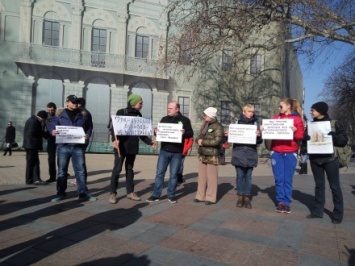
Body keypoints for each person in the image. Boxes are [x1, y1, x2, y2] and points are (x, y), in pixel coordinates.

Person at [108, 94, 155, 204]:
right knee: (117, 169)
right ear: (133, 103)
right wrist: (114, 140)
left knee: (129, 169)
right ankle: (113, 193)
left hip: (132, 147)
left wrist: (150, 142)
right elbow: (114, 128)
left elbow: (141, 133)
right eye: (140, 102)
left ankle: (130, 192)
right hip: (121, 147)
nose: (142, 104)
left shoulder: (139, 115)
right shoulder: (121, 112)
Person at [306, 101, 347, 224]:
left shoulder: (334, 124)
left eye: (313, 110)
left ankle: (338, 214)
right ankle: (318, 211)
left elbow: (344, 140)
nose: (310, 112)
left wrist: (334, 137)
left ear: (321, 111)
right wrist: (305, 139)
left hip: (330, 159)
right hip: (315, 160)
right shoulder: (310, 125)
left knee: (335, 187)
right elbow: (304, 143)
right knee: (319, 186)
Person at [50, 95, 96, 202]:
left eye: (76, 102)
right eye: (72, 101)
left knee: (80, 171)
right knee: (62, 171)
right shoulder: (59, 115)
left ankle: (83, 193)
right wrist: (52, 131)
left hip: (78, 147)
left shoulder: (84, 115)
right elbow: (52, 126)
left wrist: (88, 134)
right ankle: (60, 193)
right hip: (63, 146)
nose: (75, 103)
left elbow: (89, 127)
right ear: (67, 102)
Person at [146, 101, 193, 204]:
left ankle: (171, 195)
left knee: (174, 175)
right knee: (159, 173)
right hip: (164, 151)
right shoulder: (164, 119)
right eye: (168, 108)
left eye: (171, 108)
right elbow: (159, 131)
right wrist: (155, 131)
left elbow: (190, 133)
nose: (168, 110)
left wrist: (184, 133)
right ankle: (156, 195)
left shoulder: (185, 120)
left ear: (177, 109)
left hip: (177, 152)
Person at [266, 97, 304, 214]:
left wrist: (295, 131)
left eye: (281, 106)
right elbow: (269, 133)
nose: (279, 108)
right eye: (279, 106)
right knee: (279, 179)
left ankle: (286, 202)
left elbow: (300, 137)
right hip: (277, 152)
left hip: (290, 152)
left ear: (288, 106)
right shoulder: (275, 118)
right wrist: (264, 130)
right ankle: (280, 202)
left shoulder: (296, 120)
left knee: (287, 179)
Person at [231, 104, 262, 209]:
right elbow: (232, 138)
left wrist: (259, 136)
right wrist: (228, 135)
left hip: (250, 153)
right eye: (249, 111)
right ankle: (240, 196)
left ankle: (247, 196)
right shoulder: (237, 123)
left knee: (248, 176)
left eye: (252, 112)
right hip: (239, 153)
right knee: (240, 175)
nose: (251, 113)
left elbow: (259, 141)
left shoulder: (255, 123)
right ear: (243, 112)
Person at [194, 107, 224, 205]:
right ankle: (200, 196)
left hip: (212, 154)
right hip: (203, 153)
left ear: (211, 116)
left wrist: (203, 142)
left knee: (212, 177)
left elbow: (217, 141)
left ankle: (211, 197)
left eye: (205, 115)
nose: (204, 116)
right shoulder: (205, 125)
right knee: (201, 176)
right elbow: (200, 136)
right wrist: (197, 140)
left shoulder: (218, 126)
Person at [23, 111, 48, 185]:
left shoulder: (32, 119)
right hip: (31, 145)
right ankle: (31, 179)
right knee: (32, 163)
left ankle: (34, 179)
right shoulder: (34, 121)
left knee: (34, 162)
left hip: (30, 145)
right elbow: (31, 133)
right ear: (42, 117)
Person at [77, 97, 93, 185]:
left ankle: (81, 179)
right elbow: (90, 127)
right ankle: (80, 178)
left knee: (79, 160)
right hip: (81, 138)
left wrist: (88, 134)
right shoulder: (86, 112)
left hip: (81, 139)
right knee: (79, 160)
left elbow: (90, 126)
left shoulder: (83, 113)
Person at [43, 102, 57, 183]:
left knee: (62, 158)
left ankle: (62, 173)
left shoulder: (58, 116)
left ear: (55, 109)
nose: (50, 112)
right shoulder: (46, 117)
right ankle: (52, 176)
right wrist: (46, 136)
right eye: (49, 110)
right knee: (51, 159)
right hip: (51, 140)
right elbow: (43, 128)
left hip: (59, 139)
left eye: (52, 110)